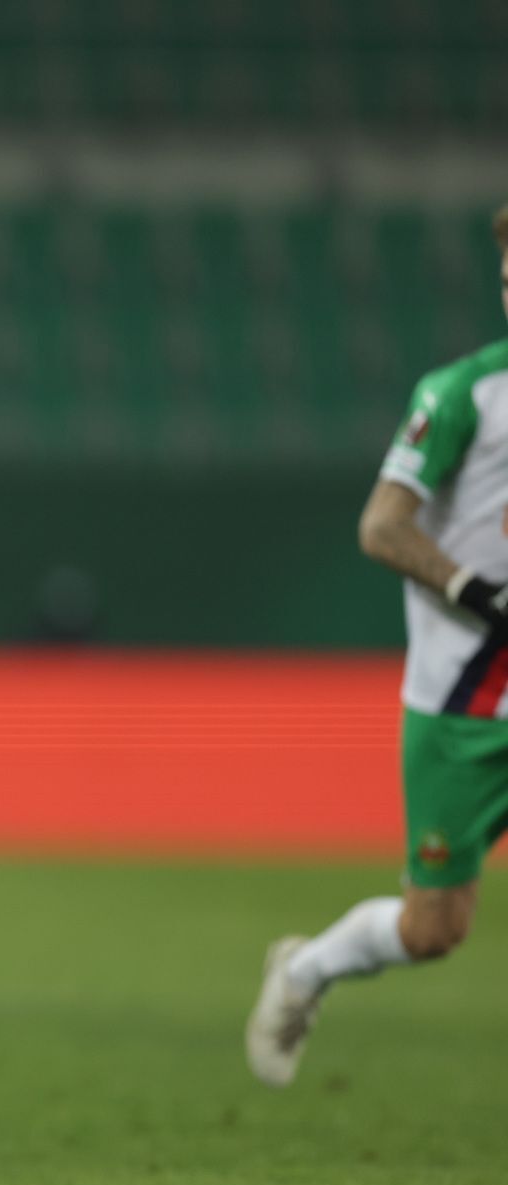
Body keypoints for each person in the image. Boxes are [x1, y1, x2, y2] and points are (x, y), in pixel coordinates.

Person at [246, 204, 508, 1087]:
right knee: (433, 930)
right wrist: (477, 594)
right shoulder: (463, 396)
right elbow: (382, 527)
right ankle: (305, 969)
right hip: (463, 706)